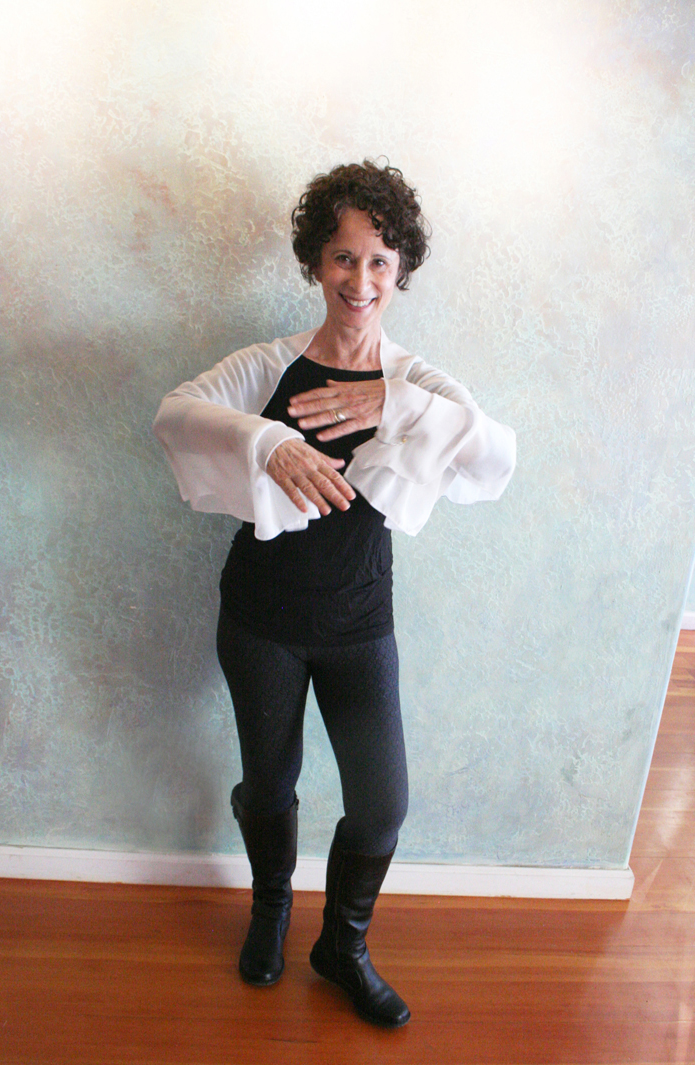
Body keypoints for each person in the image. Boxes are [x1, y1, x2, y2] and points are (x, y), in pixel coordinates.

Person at [153, 160, 516, 1029]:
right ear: (317, 262)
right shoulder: (267, 366)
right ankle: (272, 906)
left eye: (380, 261)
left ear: (401, 270)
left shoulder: (420, 384)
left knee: (382, 806)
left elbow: (496, 453)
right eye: (344, 257)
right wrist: (267, 442)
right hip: (262, 619)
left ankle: (343, 946)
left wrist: (393, 403)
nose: (361, 280)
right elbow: (174, 414)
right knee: (268, 783)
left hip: (359, 622)